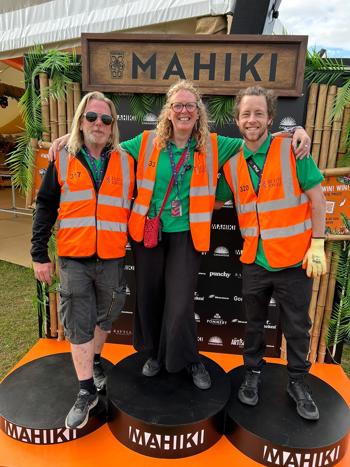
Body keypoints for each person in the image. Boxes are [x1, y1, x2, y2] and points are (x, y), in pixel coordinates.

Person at [48, 80, 310, 391]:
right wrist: (72, 136)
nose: (184, 111)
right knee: (150, 299)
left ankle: (189, 359)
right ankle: (156, 356)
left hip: (187, 236)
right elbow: (103, 145)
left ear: (198, 113)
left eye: (190, 106)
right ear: (168, 112)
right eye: (178, 105)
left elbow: (256, 140)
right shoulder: (145, 142)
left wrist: (296, 132)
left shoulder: (213, 145)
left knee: (180, 303)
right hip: (149, 236)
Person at [215, 86, 326, 420]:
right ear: (236, 120)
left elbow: (318, 200)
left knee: (296, 326)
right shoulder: (232, 165)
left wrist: (317, 243)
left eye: (259, 113)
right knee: (252, 324)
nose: (252, 120)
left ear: (270, 118)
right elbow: (215, 199)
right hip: (255, 260)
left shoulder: (293, 149)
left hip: (295, 259)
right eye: (246, 114)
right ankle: (252, 373)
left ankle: (298, 382)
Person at [31, 91, 135, 429]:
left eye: (106, 119)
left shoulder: (126, 159)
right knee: (77, 320)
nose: (99, 124)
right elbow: (45, 205)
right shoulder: (61, 156)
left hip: (112, 257)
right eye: (91, 117)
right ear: (80, 120)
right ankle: (86, 389)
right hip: (74, 257)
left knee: (107, 314)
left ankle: (97, 359)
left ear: (113, 126)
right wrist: (38, 254)